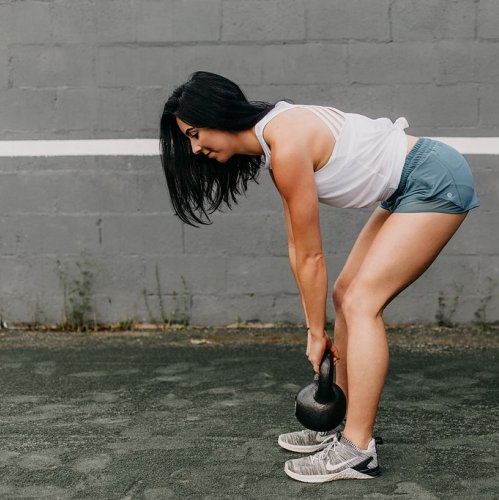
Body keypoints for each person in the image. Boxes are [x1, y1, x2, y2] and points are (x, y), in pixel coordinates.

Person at [159, 71, 479, 483]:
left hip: (432, 177)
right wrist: (314, 327)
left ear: (217, 115)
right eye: (188, 139)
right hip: (407, 184)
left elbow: (312, 255)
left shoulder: (285, 141)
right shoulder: (275, 141)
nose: (195, 148)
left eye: (195, 133)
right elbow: (297, 247)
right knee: (346, 294)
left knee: (362, 304)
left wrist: (315, 333)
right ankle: (340, 425)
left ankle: (358, 451)